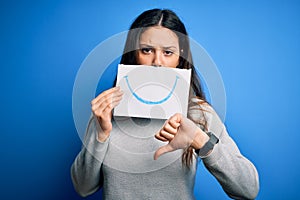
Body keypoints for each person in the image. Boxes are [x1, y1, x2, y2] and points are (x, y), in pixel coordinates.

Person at [71, 8, 259, 199]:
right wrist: (101, 135)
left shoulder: (197, 113)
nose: (157, 62)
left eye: (168, 52)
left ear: (180, 56)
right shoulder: (107, 111)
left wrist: (201, 140)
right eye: (146, 50)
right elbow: (83, 187)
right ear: (133, 53)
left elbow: (248, 189)